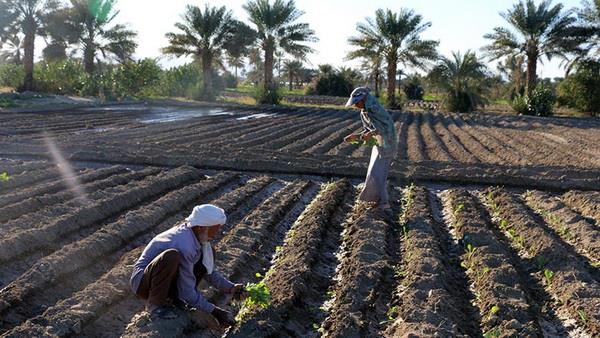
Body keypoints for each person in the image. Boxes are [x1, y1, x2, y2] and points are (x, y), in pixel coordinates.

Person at [130, 204, 244, 326]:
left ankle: (174, 299)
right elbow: (186, 291)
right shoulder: (184, 243)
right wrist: (215, 311)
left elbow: (208, 271)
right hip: (143, 283)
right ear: (201, 227)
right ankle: (155, 306)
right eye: (215, 228)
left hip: (161, 279)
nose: (217, 233)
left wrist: (231, 288)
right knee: (171, 256)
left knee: (208, 254)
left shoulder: (197, 237)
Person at [344, 87, 398, 210]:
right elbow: (368, 130)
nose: (356, 105)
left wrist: (372, 133)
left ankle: (384, 203)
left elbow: (386, 127)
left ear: (364, 100)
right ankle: (374, 199)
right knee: (372, 172)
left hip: (387, 143)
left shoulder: (375, 110)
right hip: (378, 143)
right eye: (354, 103)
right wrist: (356, 136)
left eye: (357, 102)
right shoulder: (364, 112)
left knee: (379, 173)